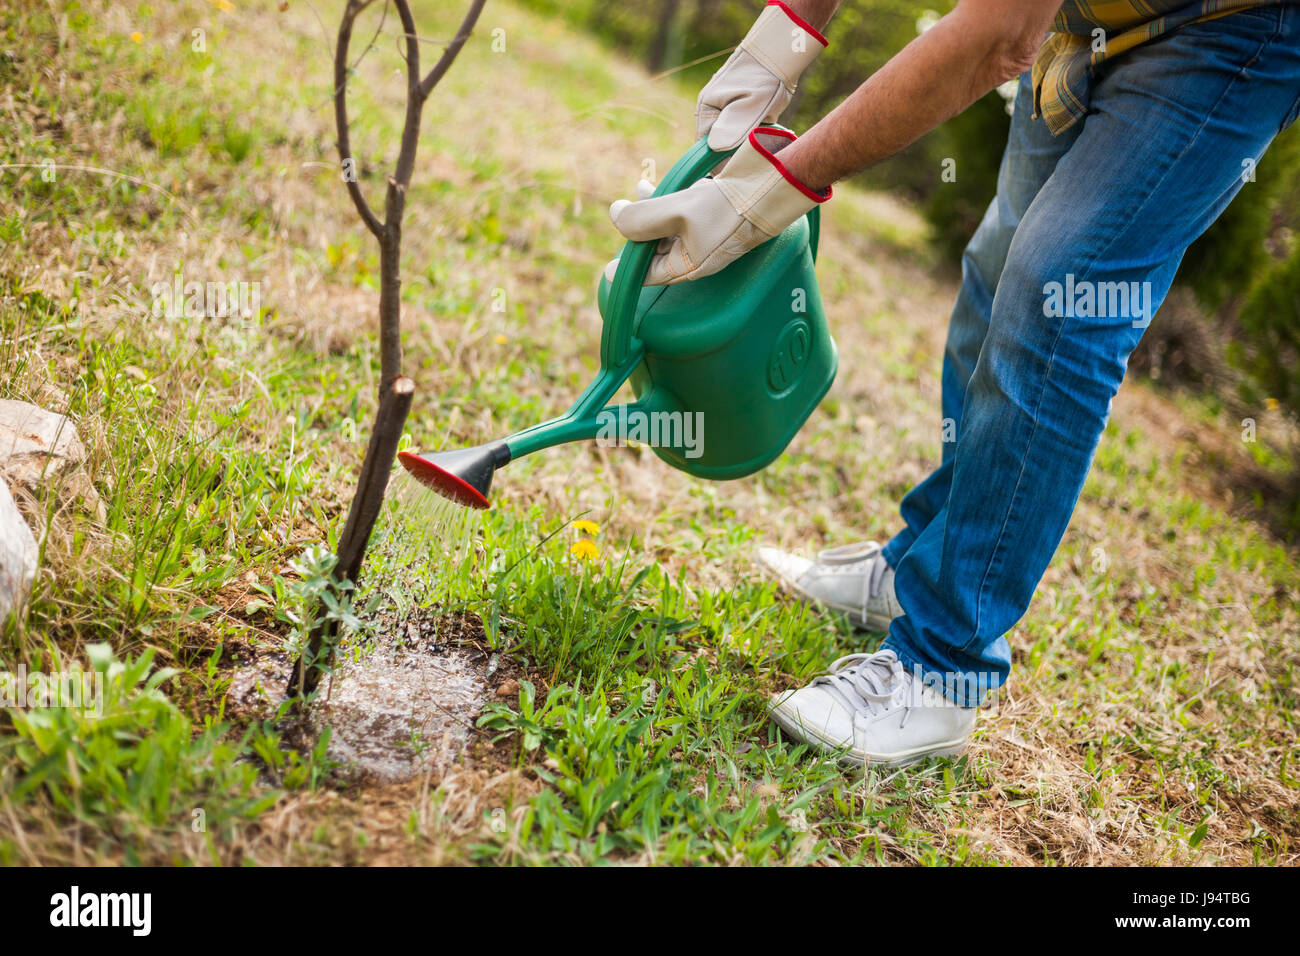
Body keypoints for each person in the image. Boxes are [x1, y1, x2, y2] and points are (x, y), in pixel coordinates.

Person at [606, 0, 1300, 767]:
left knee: (1058, 291)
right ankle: (920, 568)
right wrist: (779, 41)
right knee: (1000, 263)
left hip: (1233, 26)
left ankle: (945, 666)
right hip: (1092, 14)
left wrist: (770, 193)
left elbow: (996, 37)